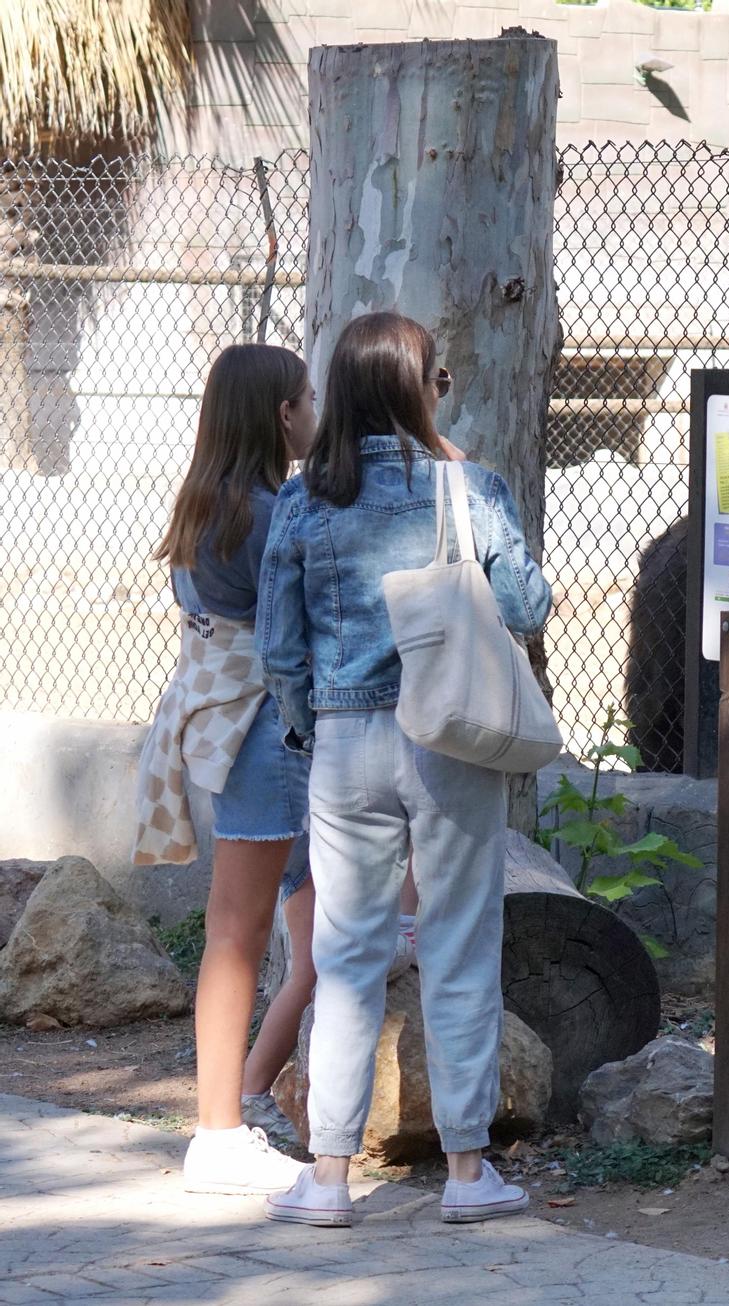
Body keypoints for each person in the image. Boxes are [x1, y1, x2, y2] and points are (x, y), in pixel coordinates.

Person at [256, 312, 551, 1228]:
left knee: (344, 957)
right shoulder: (468, 486)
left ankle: (329, 1177)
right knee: (460, 945)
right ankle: (468, 1174)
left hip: (344, 745)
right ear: (420, 390)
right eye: (440, 380)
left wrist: (311, 735)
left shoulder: (305, 502)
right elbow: (529, 606)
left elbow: (279, 649)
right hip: (451, 741)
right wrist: (466, 483)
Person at [136, 344, 321, 1193]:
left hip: (228, 729)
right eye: (308, 399)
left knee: (306, 935)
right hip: (267, 734)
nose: (317, 412)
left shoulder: (212, 502)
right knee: (241, 934)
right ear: (283, 415)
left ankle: (244, 1104)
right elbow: (295, 637)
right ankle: (219, 1132)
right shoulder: (271, 512)